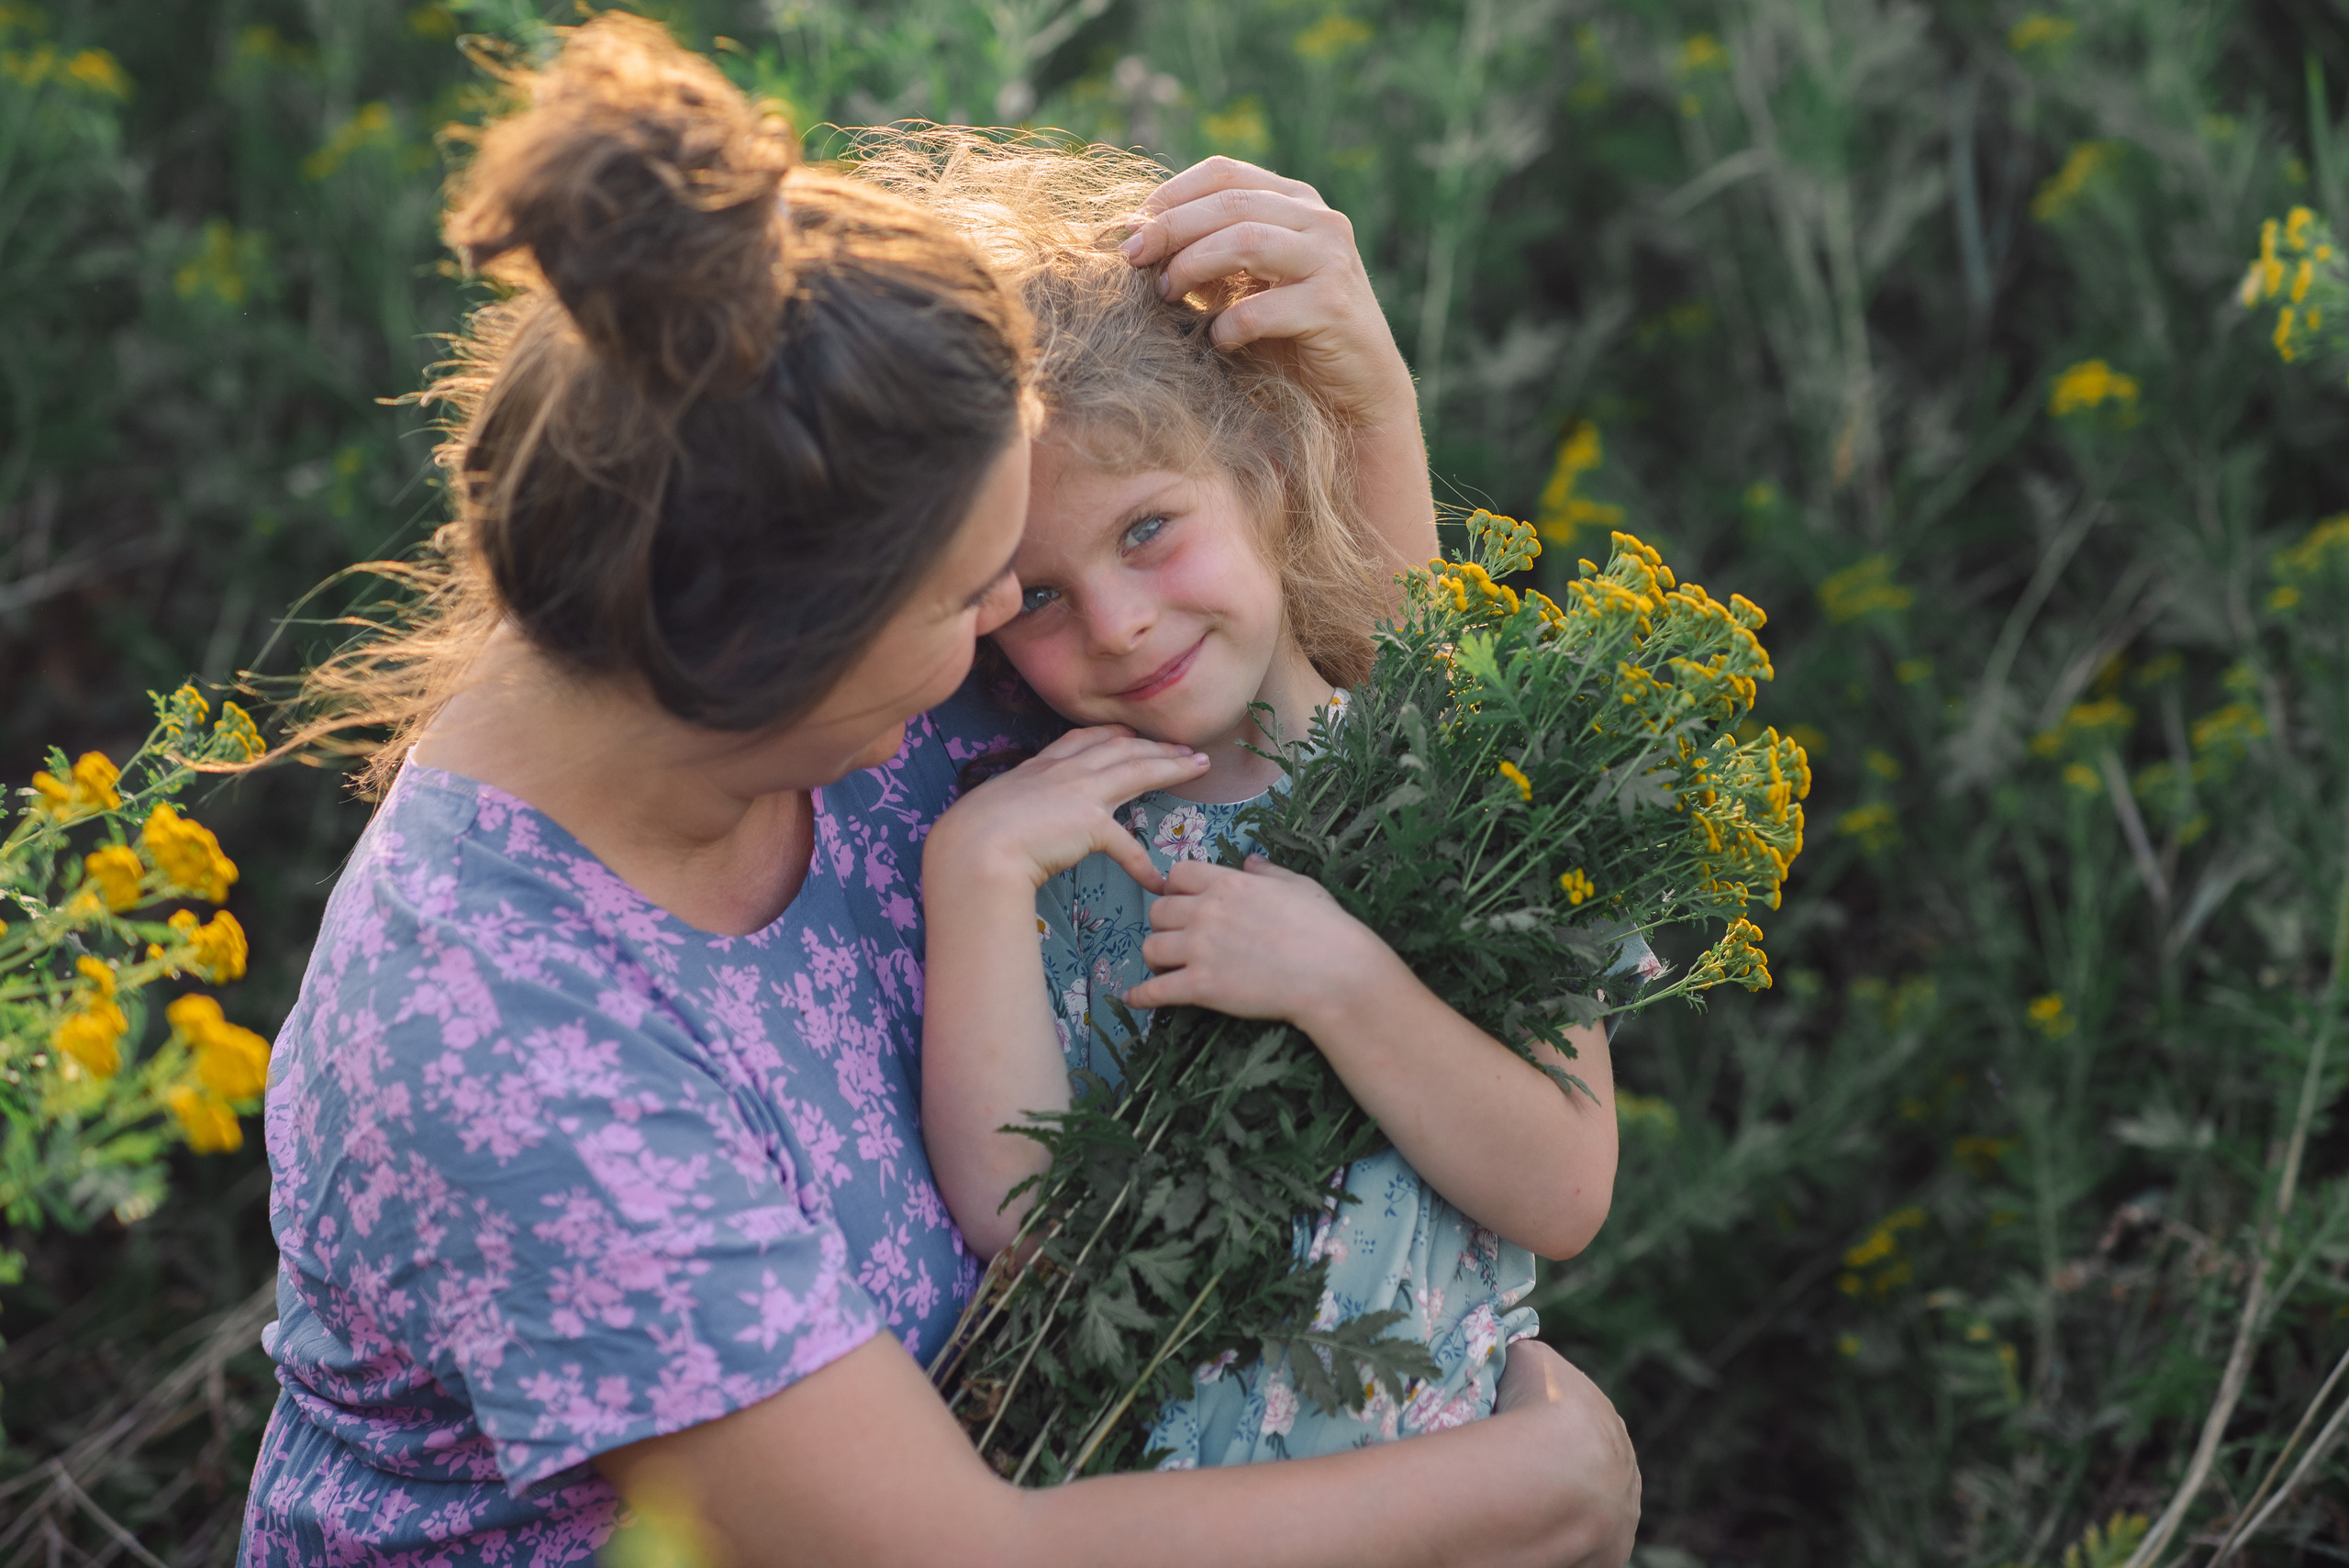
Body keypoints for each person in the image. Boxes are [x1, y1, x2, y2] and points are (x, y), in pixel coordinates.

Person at [239, 17, 1640, 1565]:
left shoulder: (819, 668)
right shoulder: (497, 1040)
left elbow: (1346, 704)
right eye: (989, 593)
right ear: (784, 646)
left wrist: (1362, 408)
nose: (1052, 635)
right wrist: (1539, 1489)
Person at [892, 137, 1625, 1468]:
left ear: (1274, 477)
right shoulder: (1050, 836)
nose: (1115, 623)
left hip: (1433, 1504)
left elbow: (1564, 1188)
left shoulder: (1465, 785)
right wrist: (979, 881)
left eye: (1148, 530)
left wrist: (1341, 979)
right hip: (1154, 1512)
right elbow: (1025, 1225)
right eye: (1038, 596)